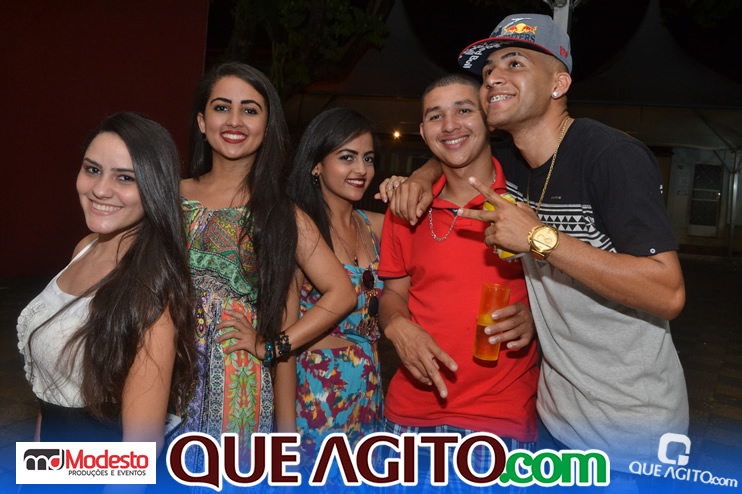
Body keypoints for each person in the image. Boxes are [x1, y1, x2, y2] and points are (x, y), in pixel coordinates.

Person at [386, 13, 689, 481]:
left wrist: (538, 239)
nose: (493, 78)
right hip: (552, 419)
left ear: (558, 83)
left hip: (631, 428)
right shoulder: (515, 165)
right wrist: (421, 177)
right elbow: (454, 150)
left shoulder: (610, 156)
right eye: (488, 70)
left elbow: (668, 293)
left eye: (515, 63)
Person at [177, 62, 356, 472]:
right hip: (166, 374)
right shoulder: (171, 195)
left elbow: (342, 293)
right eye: (222, 107)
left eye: (250, 110)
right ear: (202, 122)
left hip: (237, 393)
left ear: (267, 126)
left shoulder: (280, 214)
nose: (235, 120)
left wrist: (272, 347)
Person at [376, 73, 539, 485]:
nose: (450, 125)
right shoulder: (407, 208)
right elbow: (393, 295)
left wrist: (536, 319)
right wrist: (397, 327)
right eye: (436, 116)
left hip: (498, 421)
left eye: (463, 110)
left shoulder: (525, 204)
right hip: (409, 415)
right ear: (423, 132)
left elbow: (567, 294)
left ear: (488, 119)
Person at [17, 112, 195, 455]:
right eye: (93, 169)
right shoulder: (84, 248)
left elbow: (140, 449)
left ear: (154, 187)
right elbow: (50, 392)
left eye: (125, 177)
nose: (100, 189)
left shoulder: (150, 296)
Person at [287, 108, 384, 466]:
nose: (361, 169)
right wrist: (284, 438)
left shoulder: (374, 226)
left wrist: (418, 179)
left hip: (368, 394)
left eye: (368, 158)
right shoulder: (300, 228)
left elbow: (441, 214)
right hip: (314, 400)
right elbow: (285, 339)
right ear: (316, 165)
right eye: (347, 157)